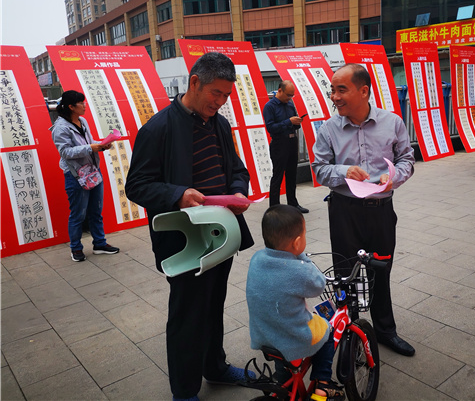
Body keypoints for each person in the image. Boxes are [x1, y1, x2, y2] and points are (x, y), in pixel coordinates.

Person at [125, 52, 255, 401]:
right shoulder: (159, 129)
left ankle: (215, 367)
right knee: (187, 314)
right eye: (216, 93)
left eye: (226, 95)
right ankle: (184, 391)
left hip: (221, 234)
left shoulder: (219, 125)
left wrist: (238, 191)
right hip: (185, 241)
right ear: (194, 82)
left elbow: (236, 169)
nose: (221, 101)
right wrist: (178, 194)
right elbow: (136, 185)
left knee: (213, 305)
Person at [312, 64, 416, 357]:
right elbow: (318, 169)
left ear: (363, 91)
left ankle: (385, 331)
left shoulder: (392, 122)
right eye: (332, 91)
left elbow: (407, 159)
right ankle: (351, 334)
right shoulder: (329, 129)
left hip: (381, 210)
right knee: (345, 274)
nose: (335, 97)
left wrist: (393, 178)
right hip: (344, 211)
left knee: (381, 270)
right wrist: (344, 171)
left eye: (341, 90)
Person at [246, 205, 344, 401]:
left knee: (282, 351)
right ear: (297, 242)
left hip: (264, 333)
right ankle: (323, 383)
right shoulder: (300, 271)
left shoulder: (257, 258)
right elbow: (319, 285)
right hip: (292, 334)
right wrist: (301, 256)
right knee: (327, 330)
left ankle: (284, 383)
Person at [51, 90, 120, 262]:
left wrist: (101, 145)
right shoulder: (60, 128)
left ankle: (100, 244)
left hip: (93, 171)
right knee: (78, 214)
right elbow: (65, 152)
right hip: (76, 175)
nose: (84, 106)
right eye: (81, 103)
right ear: (71, 107)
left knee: (96, 211)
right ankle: (76, 248)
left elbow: (88, 143)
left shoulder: (82, 121)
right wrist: (90, 148)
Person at [263, 80, 309, 213]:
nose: (290, 98)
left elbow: (293, 124)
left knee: (292, 175)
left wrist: (297, 122)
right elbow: (270, 127)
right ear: (280, 91)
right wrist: (289, 121)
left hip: (292, 141)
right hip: (279, 143)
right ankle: (274, 207)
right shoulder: (270, 106)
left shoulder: (290, 105)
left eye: (292, 95)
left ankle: (293, 203)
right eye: (288, 95)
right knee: (277, 176)